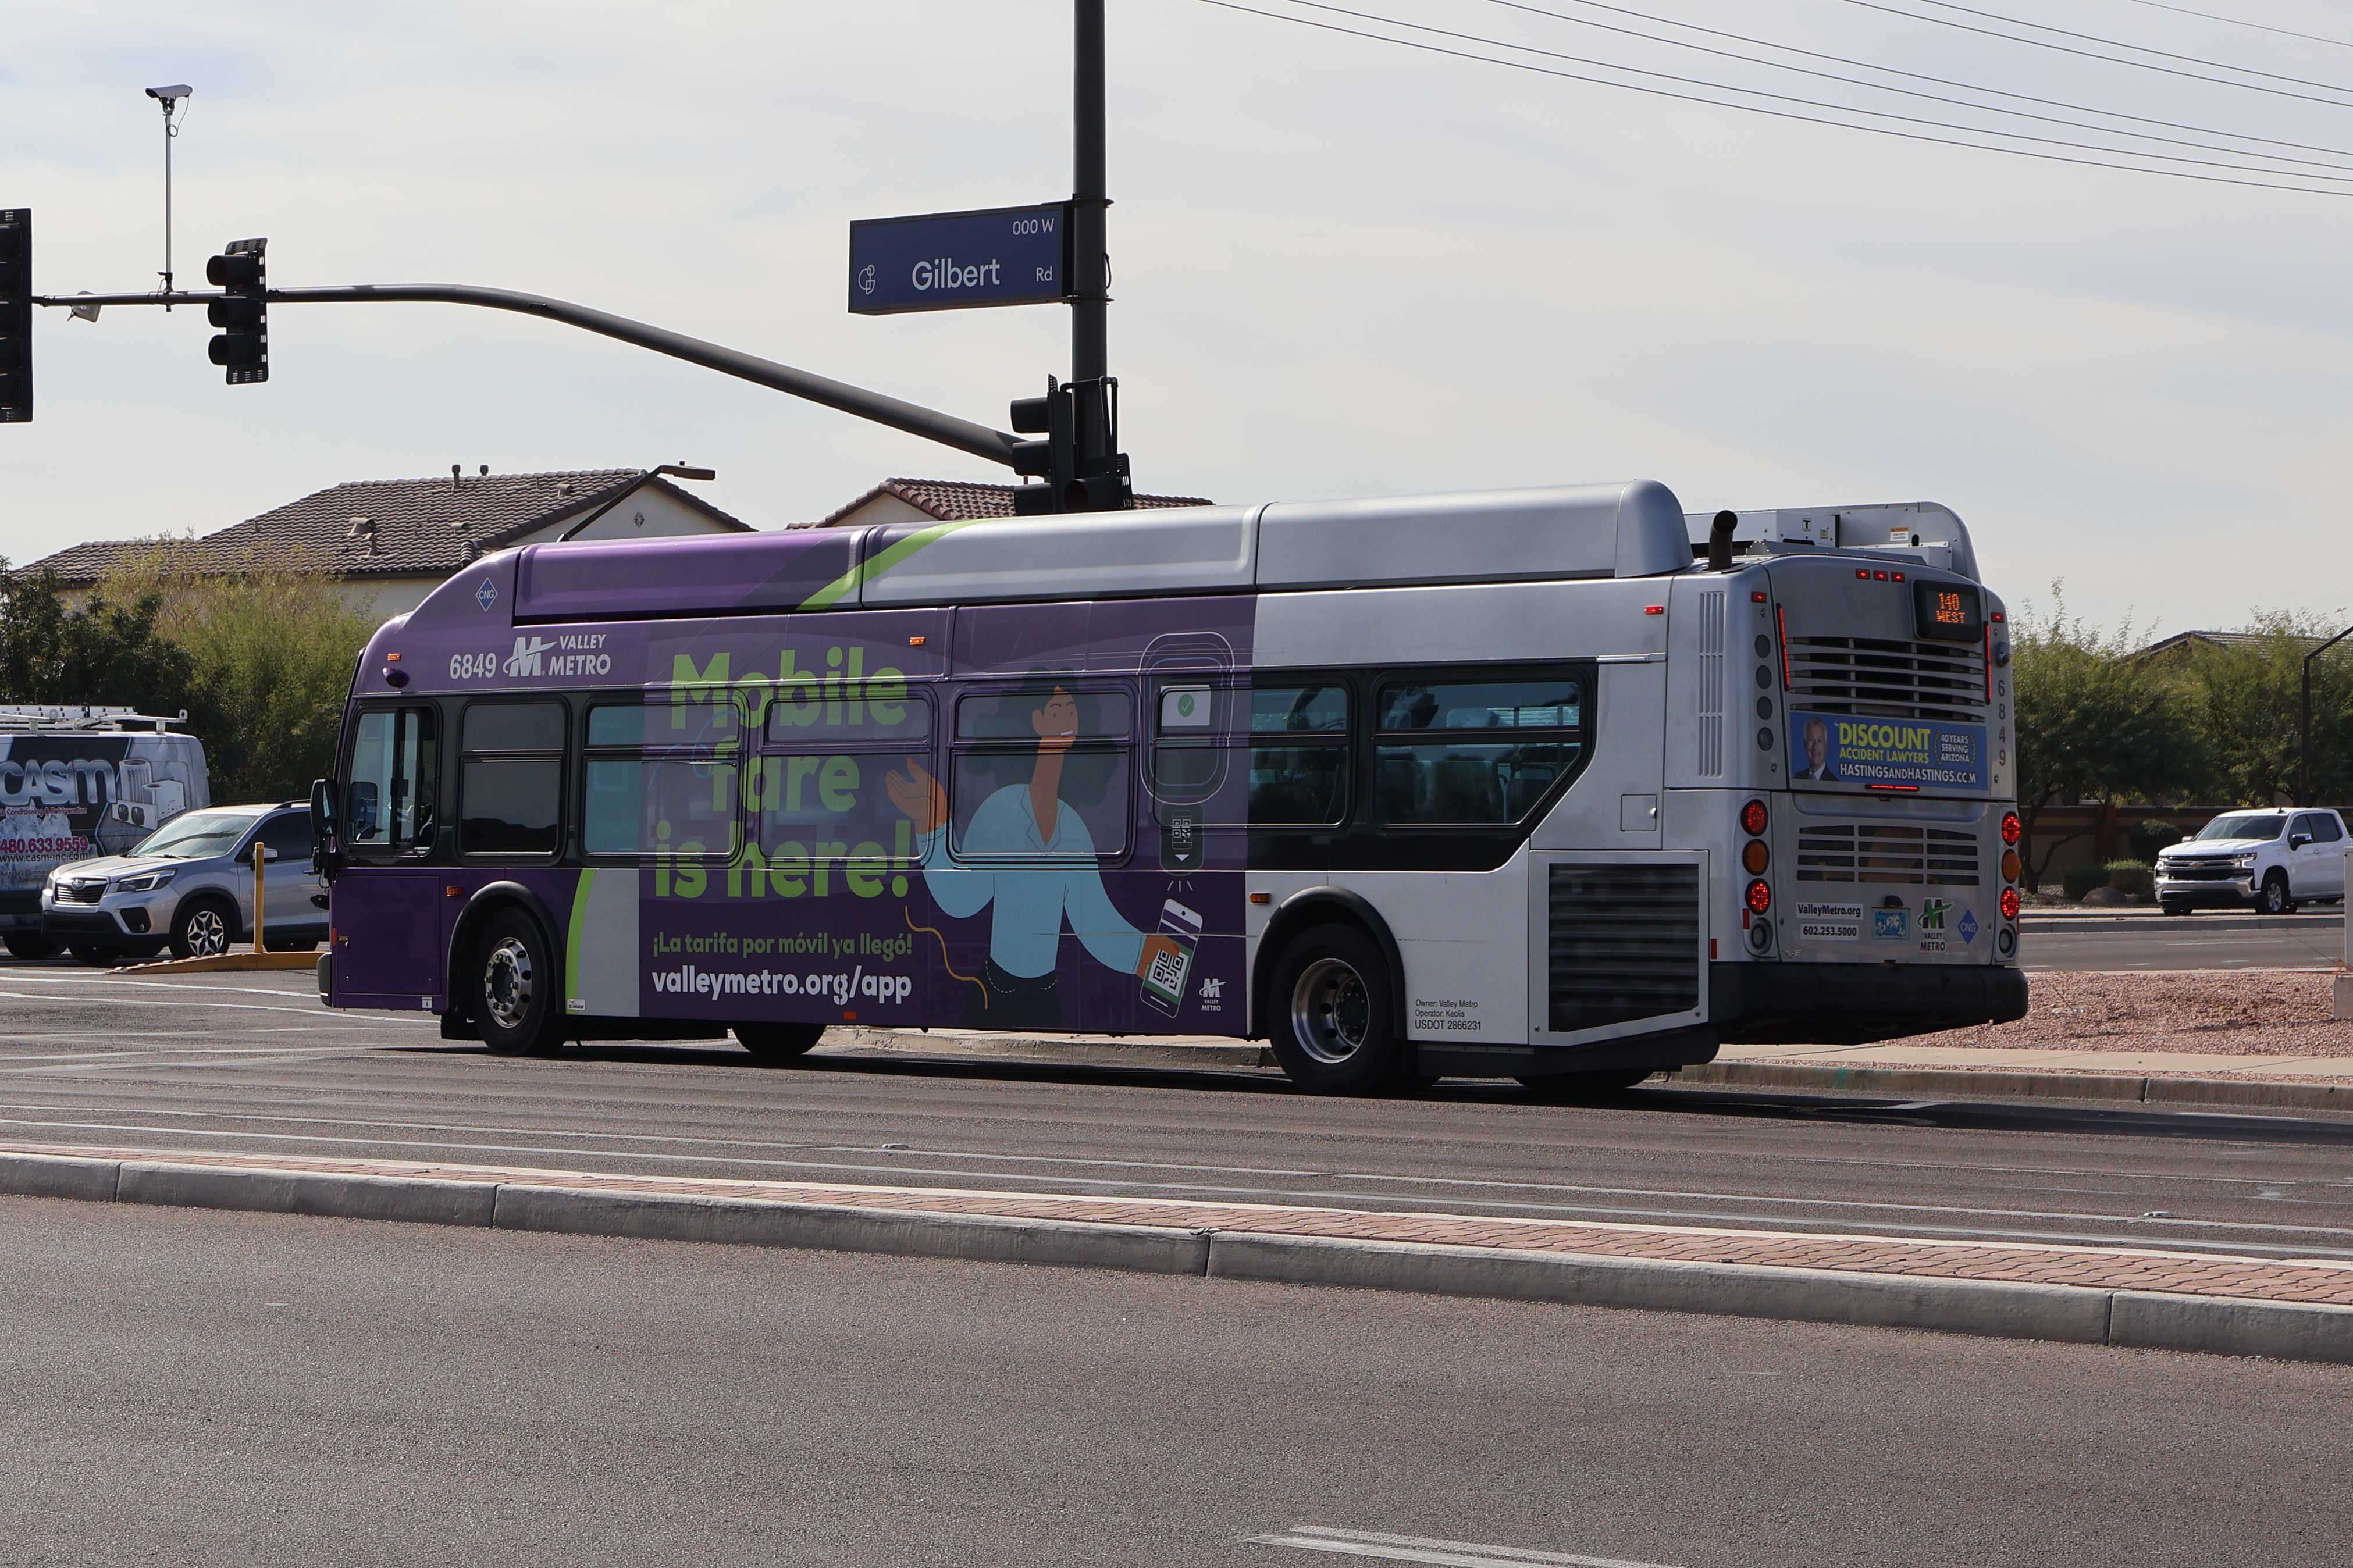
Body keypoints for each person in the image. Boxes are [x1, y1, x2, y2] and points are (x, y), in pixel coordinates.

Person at [885, 680, 1179, 1028]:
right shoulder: (1000, 810)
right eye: (1057, 711)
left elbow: (1094, 924)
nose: (1067, 717)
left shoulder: (1074, 829)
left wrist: (1149, 953)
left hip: (1045, 996)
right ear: (1038, 722)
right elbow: (959, 900)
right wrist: (932, 825)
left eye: (1072, 711)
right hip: (993, 992)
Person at [1795, 716, 1839, 781]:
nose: (1815, 747)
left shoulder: (1835, 783)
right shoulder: (1798, 778)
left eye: (1819, 741)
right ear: (1805, 743)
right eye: (1811, 740)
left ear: (1826, 745)